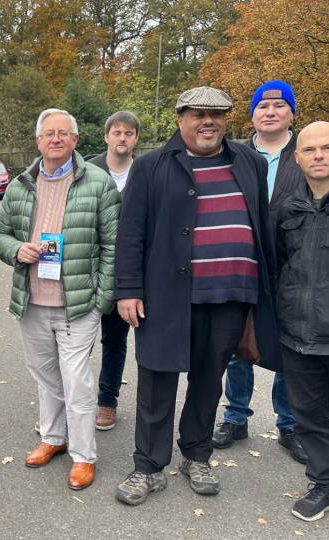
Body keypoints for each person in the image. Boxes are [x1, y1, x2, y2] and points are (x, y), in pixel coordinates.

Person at [113, 87, 280, 506]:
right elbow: (130, 233)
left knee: (208, 381)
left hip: (231, 294)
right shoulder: (152, 166)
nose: (209, 122)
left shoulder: (250, 161)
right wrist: (128, 289)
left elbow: (260, 221)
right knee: (156, 379)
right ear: (179, 119)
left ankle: (196, 455)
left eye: (218, 114)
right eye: (198, 114)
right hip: (167, 295)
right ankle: (149, 467)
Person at [0, 108, 120, 490]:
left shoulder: (99, 183)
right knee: (45, 375)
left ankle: (83, 456)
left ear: (76, 140)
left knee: (77, 380)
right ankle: (53, 438)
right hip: (32, 299)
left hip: (78, 303)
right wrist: (17, 249)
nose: (56, 139)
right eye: (48, 133)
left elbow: (114, 244)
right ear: (38, 141)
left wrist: (102, 298)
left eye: (64, 133)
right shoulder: (19, 185)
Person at [213, 81, 306, 463]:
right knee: (238, 343)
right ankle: (236, 417)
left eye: (279, 105)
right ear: (252, 114)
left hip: (293, 266)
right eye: (263, 106)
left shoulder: (307, 153)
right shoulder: (231, 153)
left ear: (291, 113)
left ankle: (290, 423)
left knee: (291, 348)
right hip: (242, 263)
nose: (270, 111)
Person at [276, 121, 329, 522]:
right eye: (310, 150)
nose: (319, 155)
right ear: (297, 157)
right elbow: (279, 265)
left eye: (327, 148)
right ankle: (327, 484)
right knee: (311, 420)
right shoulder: (287, 207)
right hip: (298, 338)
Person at [88, 110, 141, 430]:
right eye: (117, 132)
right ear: (106, 136)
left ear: (135, 139)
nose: (122, 138)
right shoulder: (88, 170)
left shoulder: (145, 171)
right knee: (74, 343)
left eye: (129, 133)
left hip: (128, 273)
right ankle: (66, 404)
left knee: (115, 341)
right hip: (88, 271)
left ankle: (107, 402)